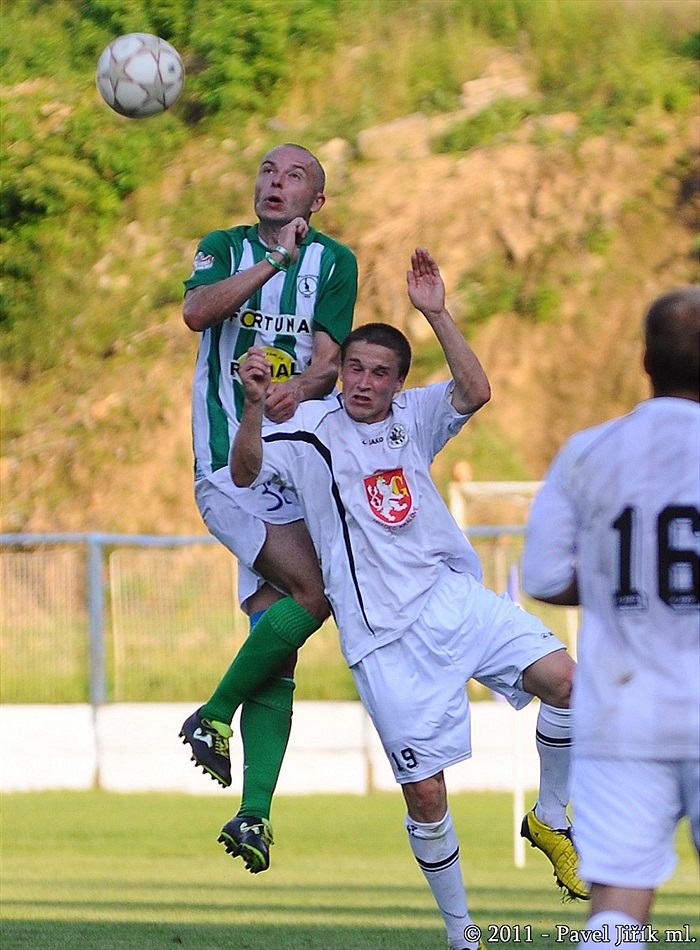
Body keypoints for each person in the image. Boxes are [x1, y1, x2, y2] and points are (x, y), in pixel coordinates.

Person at [229, 248, 585, 950]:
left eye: (379, 372)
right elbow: (246, 469)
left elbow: (476, 390)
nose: (362, 382)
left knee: (569, 682)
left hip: (452, 600)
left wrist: (437, 312)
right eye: (354, 368)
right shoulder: (308, 428)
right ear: (343, 372)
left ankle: (550, 816)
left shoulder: (417, 416)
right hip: (381, 639)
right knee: (426, 796)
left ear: (399, 382)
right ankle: (463, 933)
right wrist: (249, 408)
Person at [178, 143, 358, 872]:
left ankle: (254, 814)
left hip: (295, 466)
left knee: (274, 646)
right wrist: (273, 263)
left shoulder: (337, 263)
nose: (274, 183)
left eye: (294, 177)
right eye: (266, 172)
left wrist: (305, 390)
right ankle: (212, 714)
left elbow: (329, 360)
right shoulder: (224, 248)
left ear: (316, 202)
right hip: (230, 462)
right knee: (315, 596)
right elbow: (197, 313)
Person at [521, 287, 700, 949]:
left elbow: (540, 576)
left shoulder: (588, 452)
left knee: (617, 912)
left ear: (646, 360)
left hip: (623, 709)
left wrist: (613, 585)